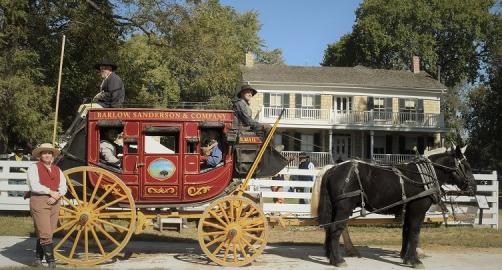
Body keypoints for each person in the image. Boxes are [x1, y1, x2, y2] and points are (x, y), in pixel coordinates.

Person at [27, 143, 67, 269]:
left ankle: (38, 259)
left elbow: (64, 186)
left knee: (48, 232)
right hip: (39, 200)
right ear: (40, 155)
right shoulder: (33, 168)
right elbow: (34, 185)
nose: (47, 155)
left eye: (49, 153)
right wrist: (50, 192)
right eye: (44, 153)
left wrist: (57, 195)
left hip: (55, 201)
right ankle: (51, 263)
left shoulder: (57, 169)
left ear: (53, 155)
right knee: (45, 232)